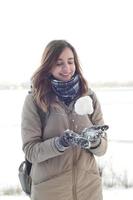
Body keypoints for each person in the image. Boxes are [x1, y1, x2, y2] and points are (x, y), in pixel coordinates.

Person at [21, 40, 108, 200]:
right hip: (50, 192)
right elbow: (31, 151)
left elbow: (102, 149)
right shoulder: (35, 101)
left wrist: (93, 141)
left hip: (89, 190)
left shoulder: (89, 96)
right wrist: (59, 143)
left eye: (70, 61)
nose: (67, 68)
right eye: (59, 63)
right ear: (48, 66)